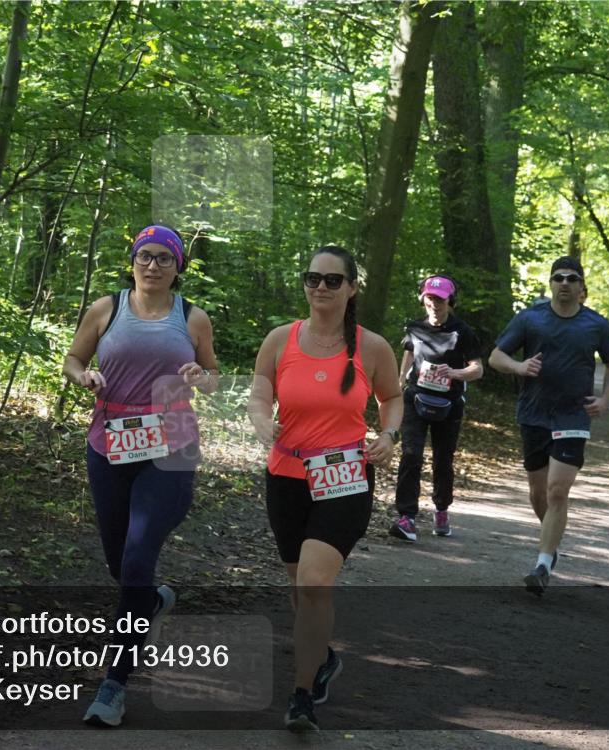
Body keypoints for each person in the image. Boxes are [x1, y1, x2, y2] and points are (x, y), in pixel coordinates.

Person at [62, 225, 219, 727]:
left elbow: (213, 377)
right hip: (109, 441)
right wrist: (84, 376)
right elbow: (73, 358)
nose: (153, 265)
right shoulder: (106, 309)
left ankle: (114, 684)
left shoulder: (192, 317)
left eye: (164, 258)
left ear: (178, 267)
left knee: (136, 558)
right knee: (120, 563)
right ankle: (149, 600)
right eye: (144, 256)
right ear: (132, 262)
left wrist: (200, 377)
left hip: (171, 442)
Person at [248, 246, 402, 731]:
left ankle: (301, 697)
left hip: (344, 479)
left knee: (314, 582)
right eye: (312, 278)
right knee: (302, 591)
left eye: (333, 280)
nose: (320, 287)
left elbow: (393, 397)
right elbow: (260, 389)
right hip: (286, 476)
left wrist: (388, 435)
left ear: (352, 288)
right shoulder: (281, 339)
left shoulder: (372, 347)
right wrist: (259, 419)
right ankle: (323, 658)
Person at [488, 256, 609, 596]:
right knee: (538, 493)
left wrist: (606, 399)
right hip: (534, 414)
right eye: (559, 277)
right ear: (550, 283)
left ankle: (543, 564)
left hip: (573, 416)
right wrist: (519, 367)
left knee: (557, 490)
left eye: (572, 278)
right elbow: (495, 357)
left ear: (581, 286)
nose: (565, 283)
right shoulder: (530, 318)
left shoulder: (595, 324)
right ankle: (552, 540)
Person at [389, 275, 483, 541]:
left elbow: (477, 369)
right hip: (415, 399)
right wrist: (399, 382)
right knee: (411, 455)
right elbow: (409, 352)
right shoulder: (415, 327)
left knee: (443, 460)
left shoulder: (463, 332)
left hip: (449, 404)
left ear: (450, 301)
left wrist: (454, 373)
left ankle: (441, 509)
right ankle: (406, 517)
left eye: (440, 299)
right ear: (422, 299)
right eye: (430, 298)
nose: (434, 304)